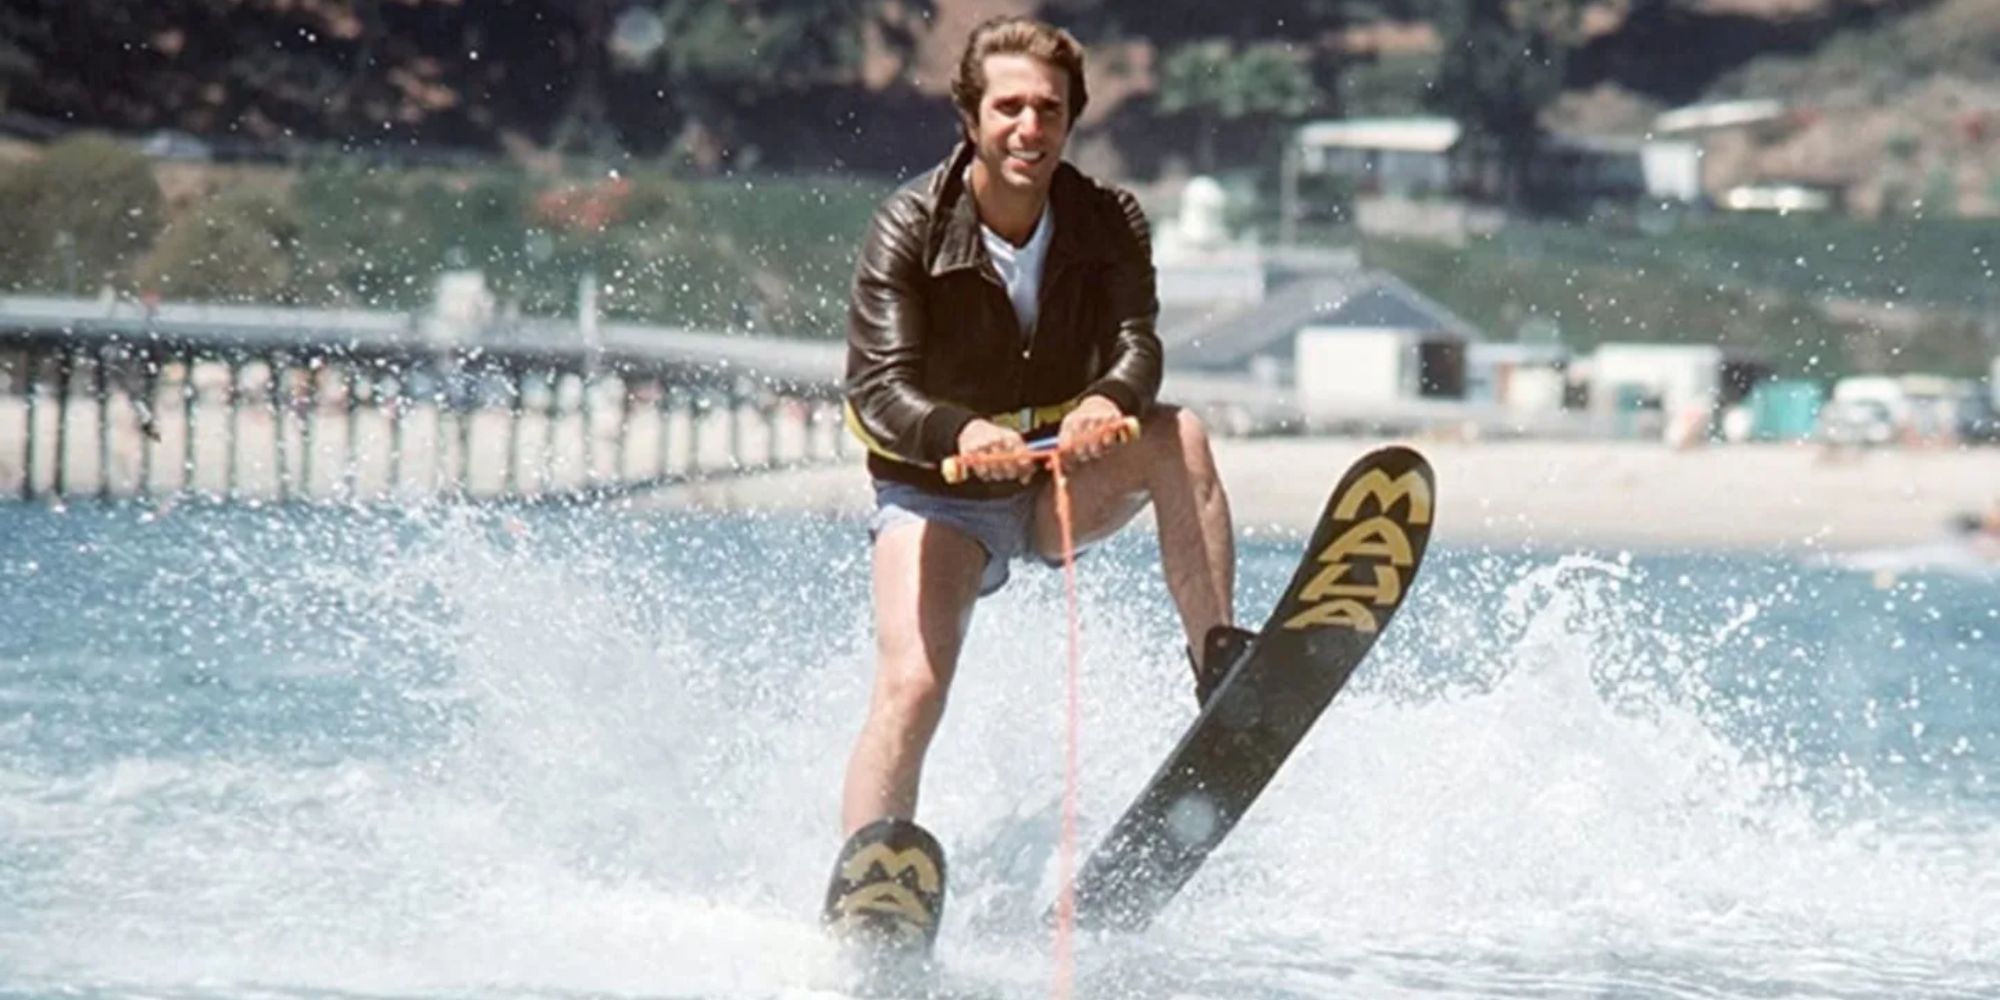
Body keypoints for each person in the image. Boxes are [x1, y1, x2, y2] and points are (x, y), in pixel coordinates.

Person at [836, 15, 1248, 845]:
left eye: (1050, 110)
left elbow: (1138, 343)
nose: (1030, 128)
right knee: (913, 687)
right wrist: (957, 433)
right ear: (972, 119)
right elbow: (878, 389)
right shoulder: (909, 225)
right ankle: (870, 873)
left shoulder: (1107, 219)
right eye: (1010, 108)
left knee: (1179, 435)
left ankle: (1223, 670)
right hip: (938, 495)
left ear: (1071, 118)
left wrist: (1112, 398)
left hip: (1055, 481)